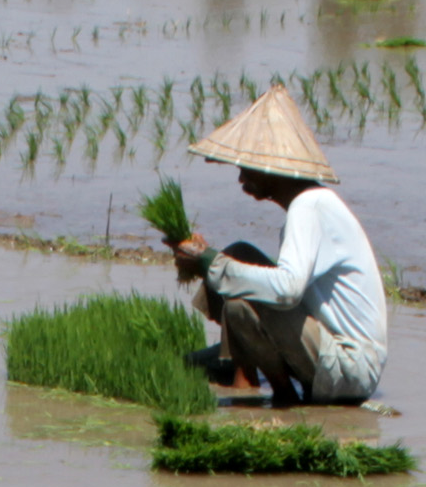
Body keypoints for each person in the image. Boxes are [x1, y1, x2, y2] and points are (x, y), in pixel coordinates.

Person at [166, 84, 388, 408]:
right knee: (239, 257)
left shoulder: (309, 207)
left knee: (239, 299)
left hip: (350, 370)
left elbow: (287, 290)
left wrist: (209, 261)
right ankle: (254, 377)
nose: (241, 178)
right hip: (337, 359)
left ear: (272, 168)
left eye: (247, 167)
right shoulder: (311, 204)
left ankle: (271, 390)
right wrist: (212, 261)